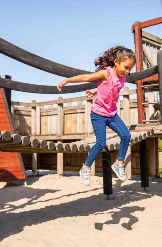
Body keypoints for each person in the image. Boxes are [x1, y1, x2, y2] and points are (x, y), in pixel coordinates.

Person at [57, 46, 135, 185]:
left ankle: (119, 163)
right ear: (116, 62)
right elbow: (86, 77)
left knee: (126, 135)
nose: (127, 71)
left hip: (111, 114)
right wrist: (67, 80)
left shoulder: (122, 77)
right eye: (126, 67)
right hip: (98, 114)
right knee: (101, 143)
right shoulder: (106, 73)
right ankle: (85, 168)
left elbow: (108, 89)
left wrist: (94, 92)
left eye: (130, 69)